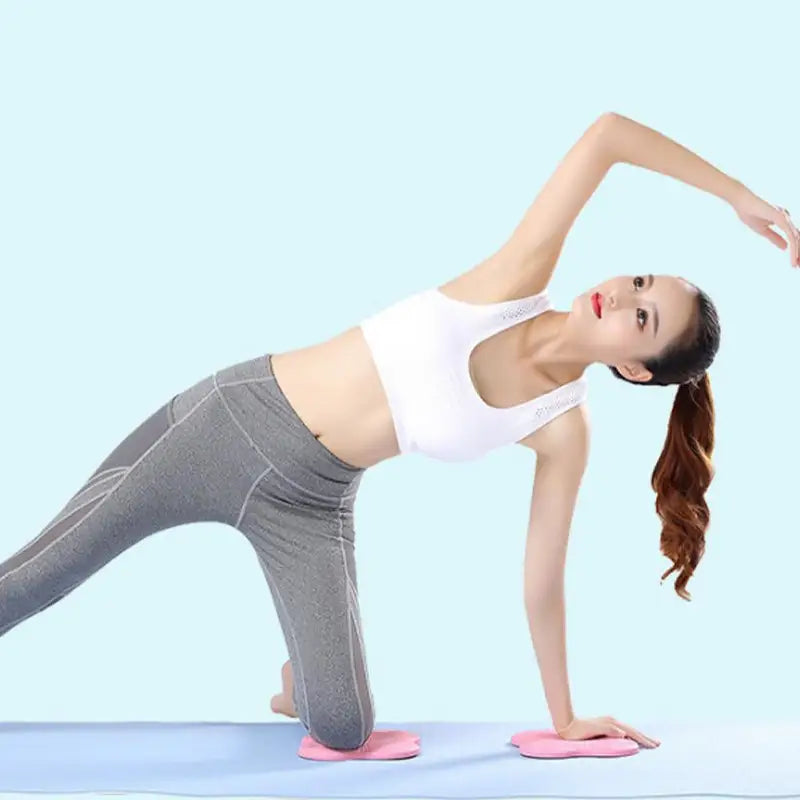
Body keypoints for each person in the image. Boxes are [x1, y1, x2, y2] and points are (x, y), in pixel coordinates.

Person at [1, 113, 797, 755]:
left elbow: (542, 584)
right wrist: (737, 195)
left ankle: (298, 681)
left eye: (643, 317)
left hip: (312, 503)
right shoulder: (517, 279)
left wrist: (565, 717)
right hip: (231, 424)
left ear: (637, 371)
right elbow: (609, 135)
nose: (622, 294)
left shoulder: (562, 429)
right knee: (36, 582)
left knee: (341, 730)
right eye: (641, 281)